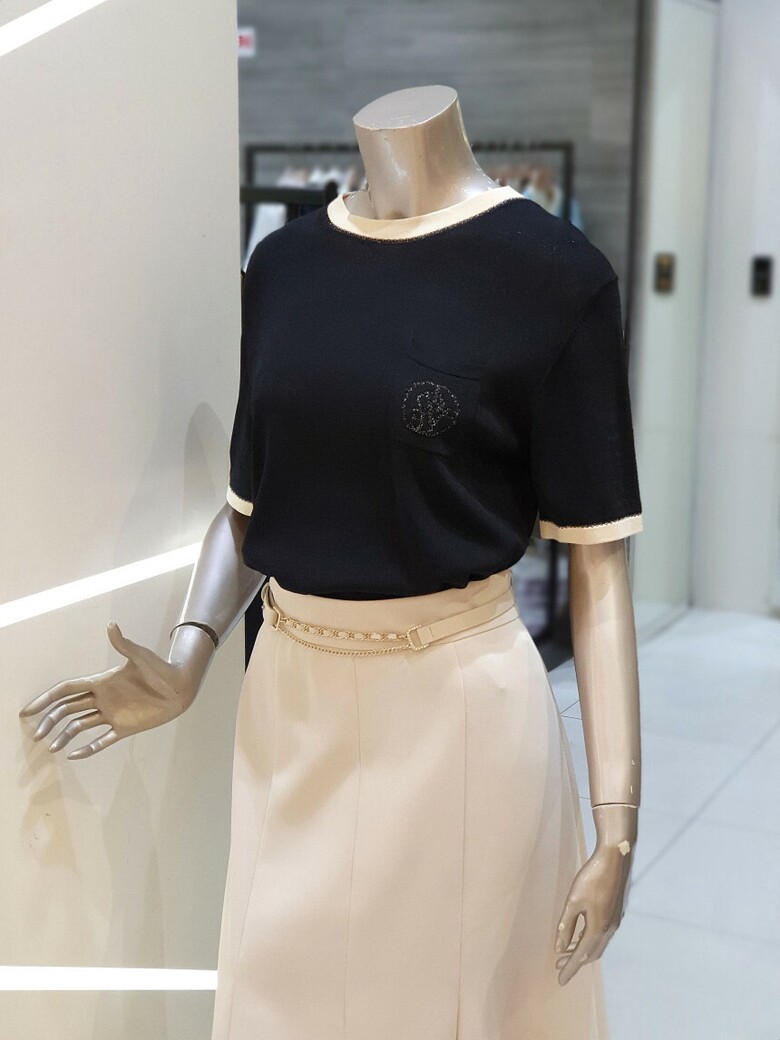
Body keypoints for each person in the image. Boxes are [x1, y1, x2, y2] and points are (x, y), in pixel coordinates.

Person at [20, 85, 643, 1040]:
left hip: (459, 711)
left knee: (447, 1005)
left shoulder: (556, 277)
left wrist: (618, 825)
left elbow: (600, 565)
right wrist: (187, 658)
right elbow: (249, 512)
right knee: (278, 998)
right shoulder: (283, 266)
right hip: (290, 709)